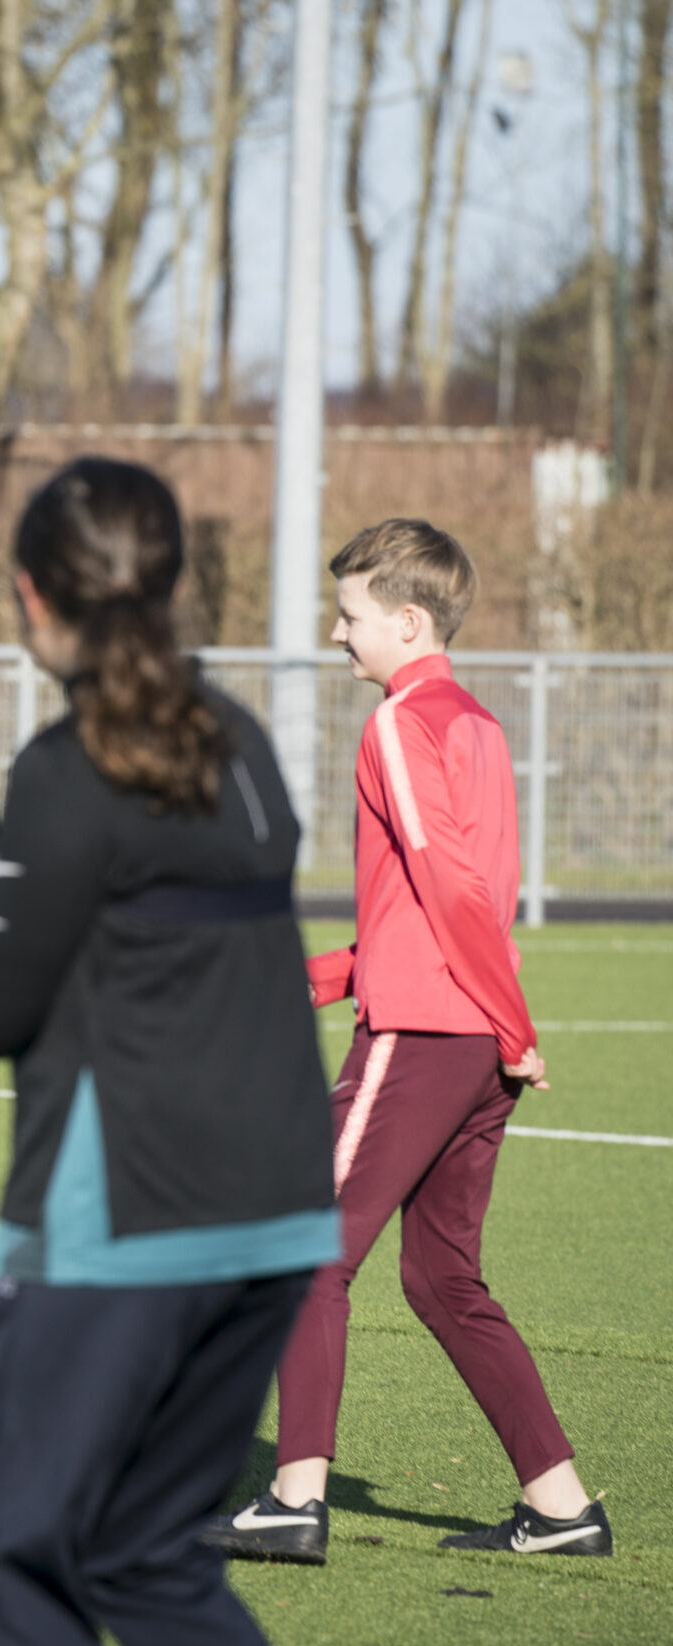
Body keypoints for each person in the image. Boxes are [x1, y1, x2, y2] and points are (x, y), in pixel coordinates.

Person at [0, 458, 338, 1646]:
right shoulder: (237, 745)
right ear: (175, 582)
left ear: (31, 595)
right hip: (279, 1213)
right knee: (144, 1557)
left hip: (125, 1222)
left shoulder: (71, 767)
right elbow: (112, 899)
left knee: (11, 1553)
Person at [203, 520, 613, 1566]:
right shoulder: (476, 723)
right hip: (467, 1037)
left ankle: (293, 1500)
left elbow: (449, 892)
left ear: (407, 620)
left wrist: (515, 1030)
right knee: (440, 1280)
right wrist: (311, 977)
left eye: (347, 616)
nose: (334, 635)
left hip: (432, 1035)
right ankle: (561, 1507)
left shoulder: (397, 724)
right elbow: (439, 910)